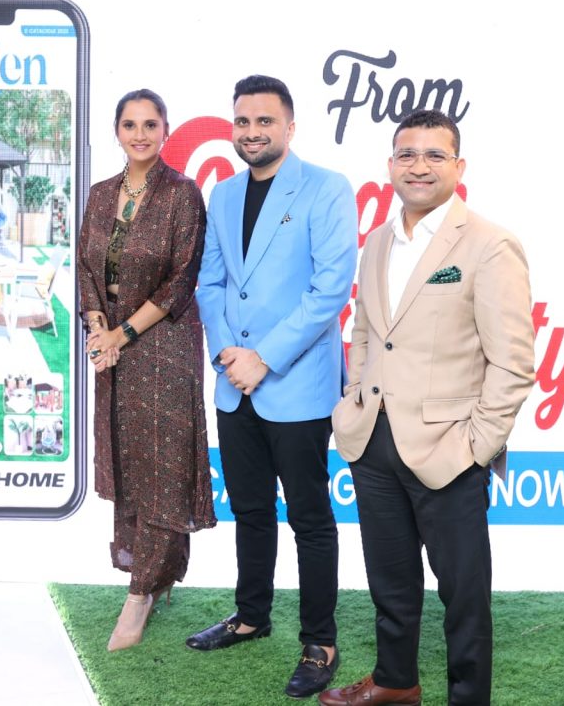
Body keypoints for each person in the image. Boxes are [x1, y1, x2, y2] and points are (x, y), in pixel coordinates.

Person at [321, 110, 535, 706]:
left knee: (464, 594)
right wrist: (354, 401)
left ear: (459, 167)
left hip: (450, 450)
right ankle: (396, 682)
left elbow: (514, 362)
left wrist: (476, 445)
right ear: (390, 165)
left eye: (435, 155)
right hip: (373, 441)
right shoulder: (378, 241)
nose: (419, 166)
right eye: (407, 154)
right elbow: (367, 332)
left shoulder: (490, 245)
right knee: (389, 580)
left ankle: (468, 697)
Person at [191, 74, 357, 698]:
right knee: (251, 510)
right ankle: (251, 616)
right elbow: (210, 283)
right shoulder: (224, 193)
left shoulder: (326, 188)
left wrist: (263, 358)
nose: (252, 132)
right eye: (242, 121)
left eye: (265, 121)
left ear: (289, 126)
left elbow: (329, 290)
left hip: (295, 384)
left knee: (310, 517)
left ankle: (320, 640)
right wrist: (229, 356)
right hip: (234, 382)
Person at [77, 88, 215, 652]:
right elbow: (85, 268)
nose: (140, 134)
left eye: (150, 124)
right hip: (110, 347)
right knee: (129, 459)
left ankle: (140, 594)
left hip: (164, 346)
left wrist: (121, 334)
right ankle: (153, 575)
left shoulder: (183, 194)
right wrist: (97, 329)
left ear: (165, 131)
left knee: (162, 464)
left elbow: (182, 280)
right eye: (130, 124)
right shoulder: (99, 194)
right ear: (117, 131)